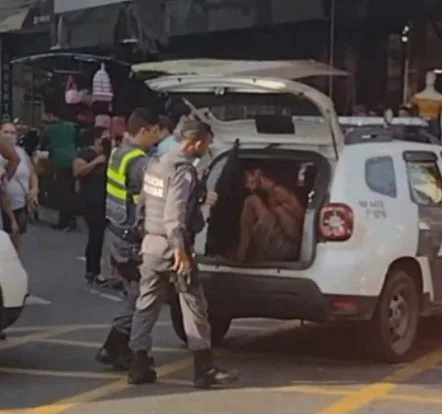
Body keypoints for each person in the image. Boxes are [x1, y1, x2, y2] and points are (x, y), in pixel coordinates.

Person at [127, 118, 237, 388]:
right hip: (172, 246)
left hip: (151, 244)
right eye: (206, 144)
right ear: (196, 142)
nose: (206, 149)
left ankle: (138, 365)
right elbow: (174, 213)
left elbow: (144, 202)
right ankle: (204, 369)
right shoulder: (182, 169)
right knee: (194, 305)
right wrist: (180, 251)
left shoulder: (156, 162)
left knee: (147, 303)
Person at [96, 108, 161, 370]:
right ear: (144, 130)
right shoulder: (138, 162)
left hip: (116, 233)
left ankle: (118, 346)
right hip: (129, 238)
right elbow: (157, 193)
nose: (156, 138)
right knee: (138, 296)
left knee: (133, 294)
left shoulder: (119, 153)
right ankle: (114, 346)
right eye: (155, 133)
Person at [235, 168, 305, 263]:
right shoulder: (271, 193)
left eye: (247, 179)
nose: (247, 185)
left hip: (289, 247)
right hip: (287, 243)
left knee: (251, 201)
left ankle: (241, 257)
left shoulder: (278, 192)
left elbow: (293, 231)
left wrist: (276, 209)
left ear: (258, 173)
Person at [73, 127, 110, 285]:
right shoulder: (85, 155)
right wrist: (95, 162)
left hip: (105, 201)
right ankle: (92, 269)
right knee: (95, 234)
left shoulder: (110, 154)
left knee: (100, 236)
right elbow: (78, 172)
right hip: (89, 200)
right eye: (104, 137)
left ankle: (98, 270)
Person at [0, 122, 39, 252]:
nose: (9, 135)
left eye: (12, 132)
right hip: (5, 205)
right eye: (5, 132)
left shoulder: (21, 152)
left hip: (20, 203)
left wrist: (34, 190)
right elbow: (3, 186)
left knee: (17, 241)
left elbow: (32, 173)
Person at [43, 111, 78, 231]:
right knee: (70, 191)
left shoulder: (49, 129)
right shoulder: (72, 127)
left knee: (63, 193)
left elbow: (44, 144)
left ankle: (64, 222)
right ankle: (72, 218)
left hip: (60, 161)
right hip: (73, 159)